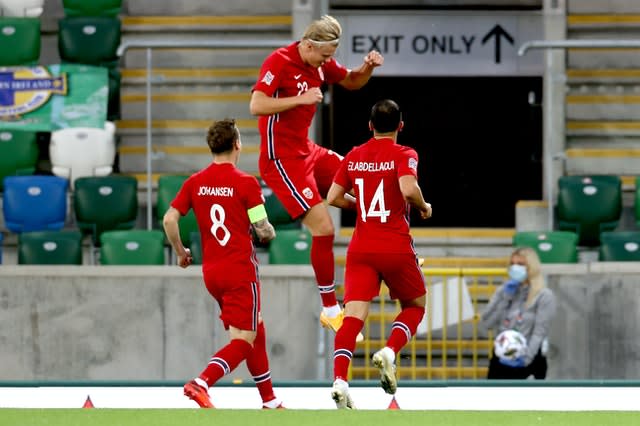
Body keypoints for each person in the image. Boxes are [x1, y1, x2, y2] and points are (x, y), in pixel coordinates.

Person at [250, 14, 384, 334]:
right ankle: (329, 307)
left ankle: (394, 252)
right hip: (281, 161)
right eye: (325, 54)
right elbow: (256, 105)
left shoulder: (320, 64)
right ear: (308, 45)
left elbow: (351, 81)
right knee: (324, 229)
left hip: (307, 151)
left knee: (364, 183)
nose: (328, 61)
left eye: (332, 55)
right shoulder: (279, 61)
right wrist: (301, 98)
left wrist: (367, 68)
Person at [163, 118, 283, 409]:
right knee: (244, 340)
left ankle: (269, 400)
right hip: (240, 269)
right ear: (237, 144)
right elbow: (264, 229)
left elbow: (169, 219)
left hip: (212, 273)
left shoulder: (195, 182)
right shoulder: (246, 182)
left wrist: (180, 252)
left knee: (255, 327)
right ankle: (201, 382)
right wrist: (267, 231)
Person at [325, 99, 432, 408]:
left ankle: (340, 381)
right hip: (394, 244)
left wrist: (360, 205)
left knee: (353, 319)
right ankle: (389, 351)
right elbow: (409, 189)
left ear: (369, 125)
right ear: (401, 125)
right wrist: (424, 207)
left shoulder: (355, 155)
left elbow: (332, 197)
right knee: (415, 306)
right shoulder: (404, 153)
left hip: (362, 247)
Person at [481, 246, 556, 380]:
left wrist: (525, 360)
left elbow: (539, 332)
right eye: (512, 264)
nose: (515, 268)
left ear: (531, 268)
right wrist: (505, 298)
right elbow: (487, 323)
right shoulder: (503, 291)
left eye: (520, 264)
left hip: (529, 360)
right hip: (501, 359)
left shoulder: (544, 296)